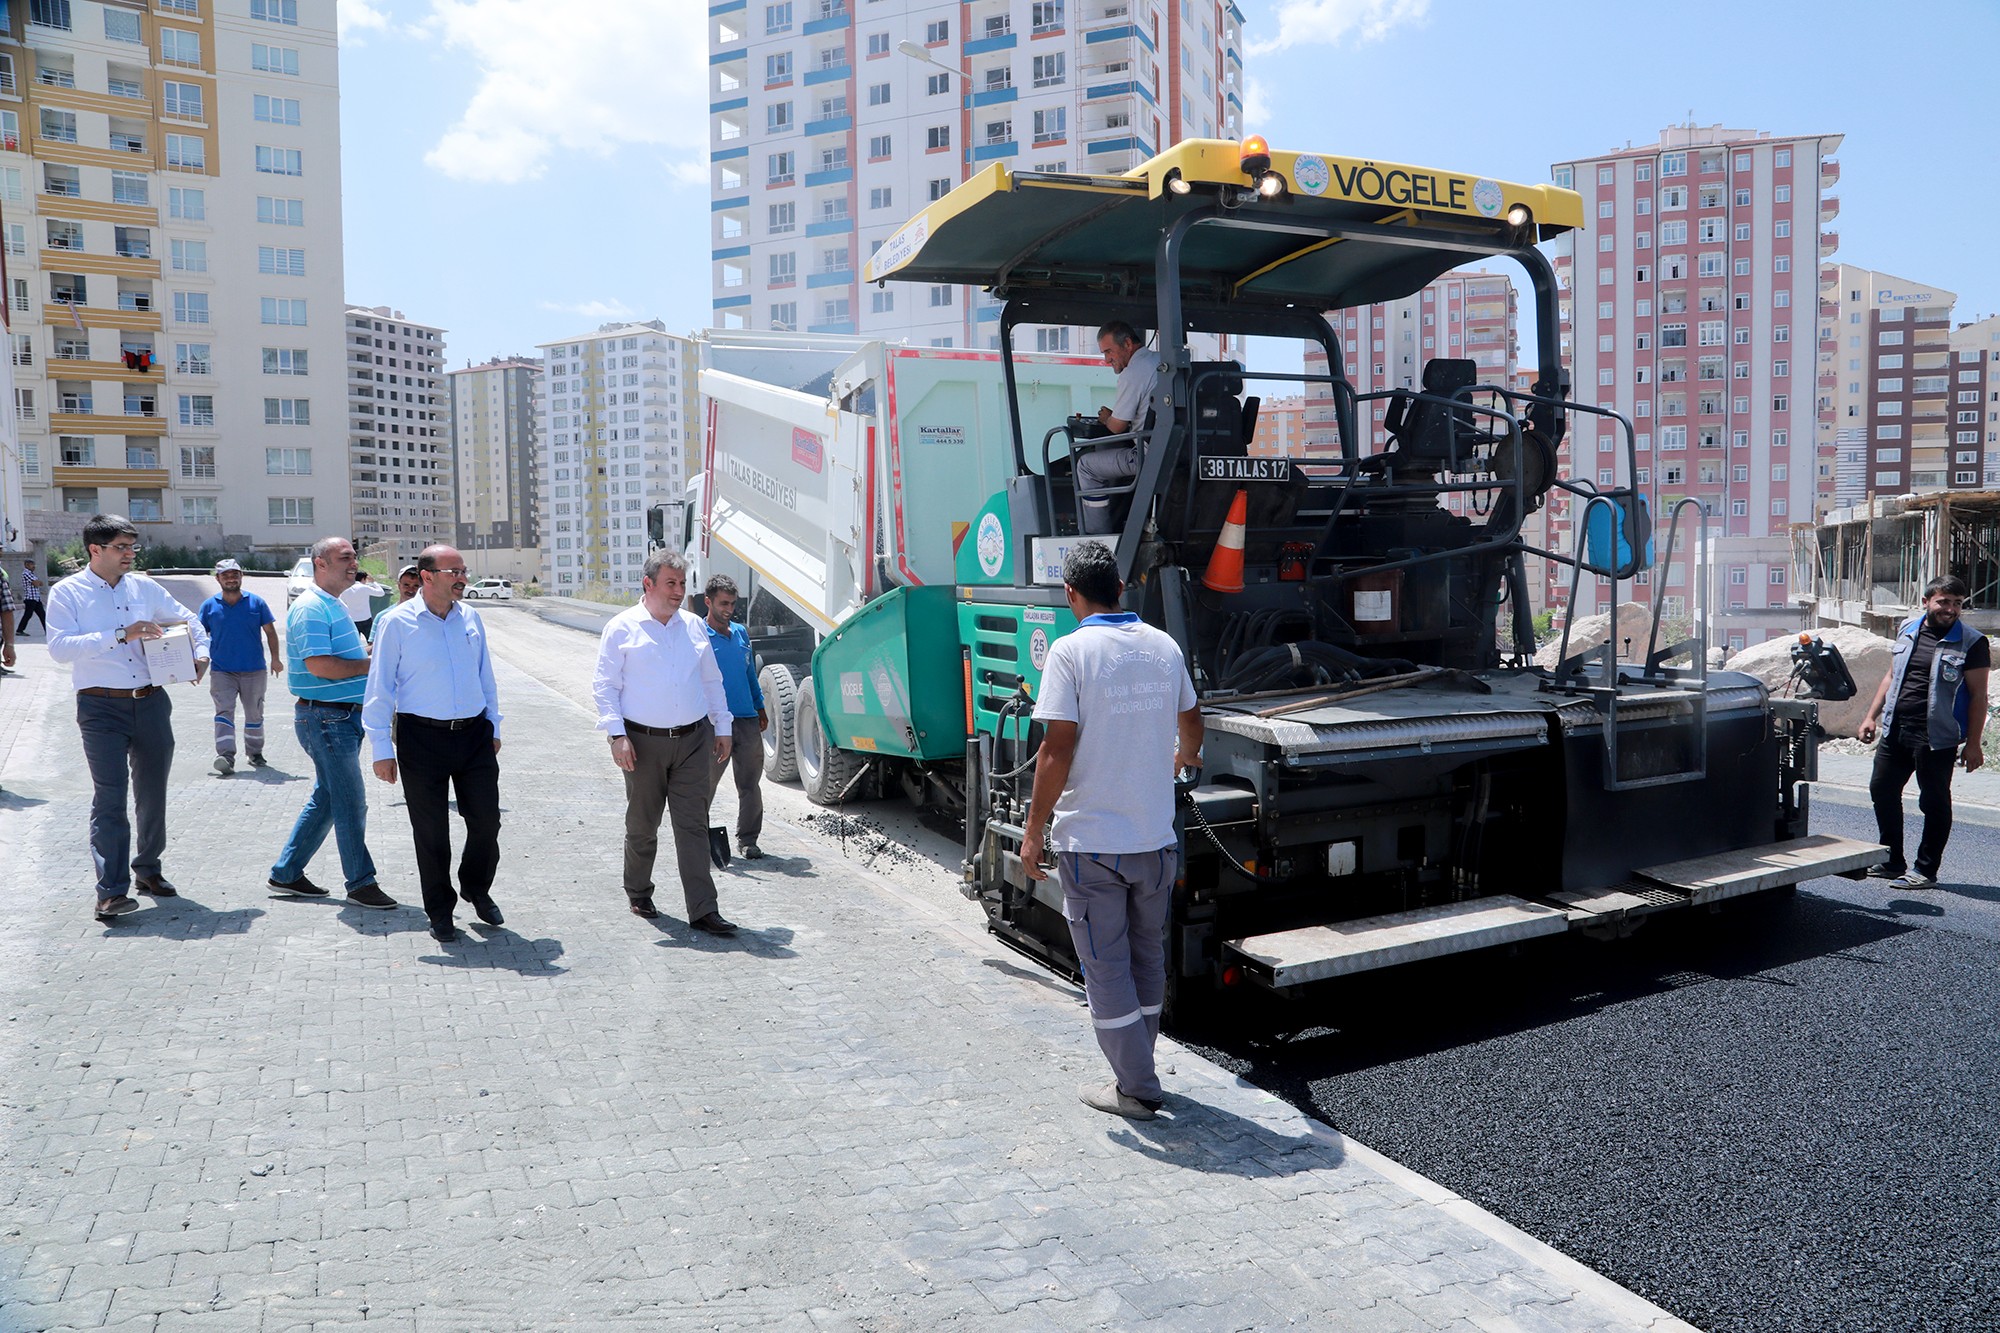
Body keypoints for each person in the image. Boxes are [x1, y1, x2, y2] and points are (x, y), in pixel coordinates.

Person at [1022, 540, 1203, 1121]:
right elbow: (1193, 723)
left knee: (1105, 970)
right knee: (1146, 958)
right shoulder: (1164, 646)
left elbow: (1056, 747)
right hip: (1155, 839)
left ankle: (1137, 1088)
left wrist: (1032, 828)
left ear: (1070, 594)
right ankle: (1138, 1067)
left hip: (1094, 846)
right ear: (1121, 589)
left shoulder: (1071, 653)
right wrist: (1181, 761)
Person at [44, 515, 212, 922]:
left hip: (152, 702)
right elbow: (60, 648)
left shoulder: (144, 587)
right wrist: (122, 633)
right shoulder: (68, 593)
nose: (129, 555)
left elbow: (188, 619)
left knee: (152, 793)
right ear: (95, 550)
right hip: (99, 707)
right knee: (110, 797)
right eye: (121, 547)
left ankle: (148, 870)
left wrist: (201, 654)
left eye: (133, 547)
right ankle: (110, 892)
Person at [364, 545, 505, 943]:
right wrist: (380, 748)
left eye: (463, 570)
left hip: (474, 735)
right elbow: (380, 688)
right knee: (431, 833)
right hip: (420, 737)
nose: (462, 577)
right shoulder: (396, 623)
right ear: (427, 577)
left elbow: (485, 675)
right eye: (453, 572)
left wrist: (493, 725)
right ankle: (440, 911)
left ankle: (476, 887)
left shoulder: (471, 617)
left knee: (486, 822)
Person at [592, 549, 738, 933]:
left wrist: (722, 727)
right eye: (670, 583)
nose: (678, 591)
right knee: (643, 823)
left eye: (682, 583)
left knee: (692, 824)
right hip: (642, 742)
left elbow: (711, 681)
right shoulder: (622, 628)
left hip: (693, 740)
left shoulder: (692, 626)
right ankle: (639, 891)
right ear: (649, 584)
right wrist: (617, 736)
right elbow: (605, 687)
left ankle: (704, 909)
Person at [269, 536, 398, 911]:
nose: (353, 563)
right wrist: (372, 665)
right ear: (320, 563)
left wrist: (376, 653)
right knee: (350, 802)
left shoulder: (333, 604)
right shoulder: (312, 607)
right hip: (326, 717)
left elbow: (342, 657)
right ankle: (360, 883)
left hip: (338, 716)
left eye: (354, 557)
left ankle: (287, 872)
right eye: (345, 557)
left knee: (328, 798)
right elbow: (320, 666)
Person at [1858, 575, 1989, 889]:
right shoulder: (1908, 629)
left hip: (1936, 737)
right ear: (1927, 602)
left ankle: (1925, 870)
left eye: (1957, 603)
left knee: (1934, 802)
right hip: (1895, 729)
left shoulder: (1972, 642)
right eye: (1944, 601)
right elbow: (1891, 675)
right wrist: (1870, 716)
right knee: (1882, 790)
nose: (1951, 609)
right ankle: (1891, 860)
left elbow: (1978, 697)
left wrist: (1973, 743)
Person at [702, 574, 768, 862]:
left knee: (750, 784)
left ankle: (748, 840)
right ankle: (696, 839)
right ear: (708, 601)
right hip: (715, 724)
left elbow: (749, 673)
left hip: (746, 721)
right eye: (723, 603)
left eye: (733, 603)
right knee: (705, 784)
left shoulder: (741, 633)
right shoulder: (699, 635)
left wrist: (760, 707)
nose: (729, 609)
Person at [1075, 321, 1163, 534]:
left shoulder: (1132, 373)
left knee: (1085, 466)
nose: (1106, 360)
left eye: (1109, 352)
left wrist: (1107, 418)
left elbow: (1116, 426)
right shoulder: (1162, 361)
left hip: (1147, 455)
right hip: (1174, 449)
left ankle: (1097, 538)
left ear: (1127, 343)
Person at [197, 558, 282, 776]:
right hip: (222, 670)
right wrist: (195, 663)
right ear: (218, 579)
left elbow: (270, 632)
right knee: (224, 712)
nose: (231, 578)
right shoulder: (208, 606)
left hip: (254, 669)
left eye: (234, 574)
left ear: (241, 576)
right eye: (225, 575)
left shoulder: (257, 603)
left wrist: (275, 659)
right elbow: (198, 637)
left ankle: (255, 753)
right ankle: (225, 756)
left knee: (254, 713)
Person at [341, 567, 379, 639]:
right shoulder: (364, 588)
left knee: (354, 643)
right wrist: (374, 582)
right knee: (372, 642)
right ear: (363, 579)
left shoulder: (346, 589)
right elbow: (381, 593)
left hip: (353, 620)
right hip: (366, 619)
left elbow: (342, 603)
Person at [17, 561, 46, 636]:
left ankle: (48, 631)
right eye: (32, 565)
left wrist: (38, 582)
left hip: (36, 598)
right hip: (30, 598)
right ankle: (19, 630)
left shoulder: (31, 574)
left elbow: (41, 583)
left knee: (42, 614)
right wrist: (37, 582)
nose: (34, 566)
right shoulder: (26, 573)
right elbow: (36, 583)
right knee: (28, 615)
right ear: (27, 565)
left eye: (34, 564)